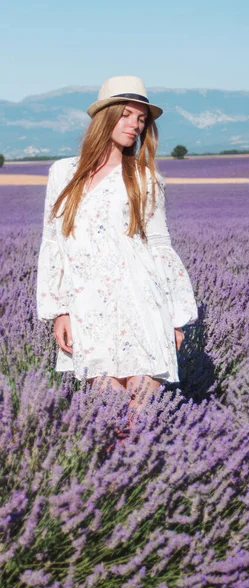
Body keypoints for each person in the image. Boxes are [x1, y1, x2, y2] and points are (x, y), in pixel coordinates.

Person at [36, 75, 198, 410]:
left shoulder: (144, 177)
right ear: (105, 116)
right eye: (127, 114)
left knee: (141, 418)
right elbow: (52, 243)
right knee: (109, 420)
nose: (135, 125)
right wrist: (59, 310)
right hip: (89, 308)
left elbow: (159, 245)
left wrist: (176, 318)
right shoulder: (63, 174)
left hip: (143, 303)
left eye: (141, 119)